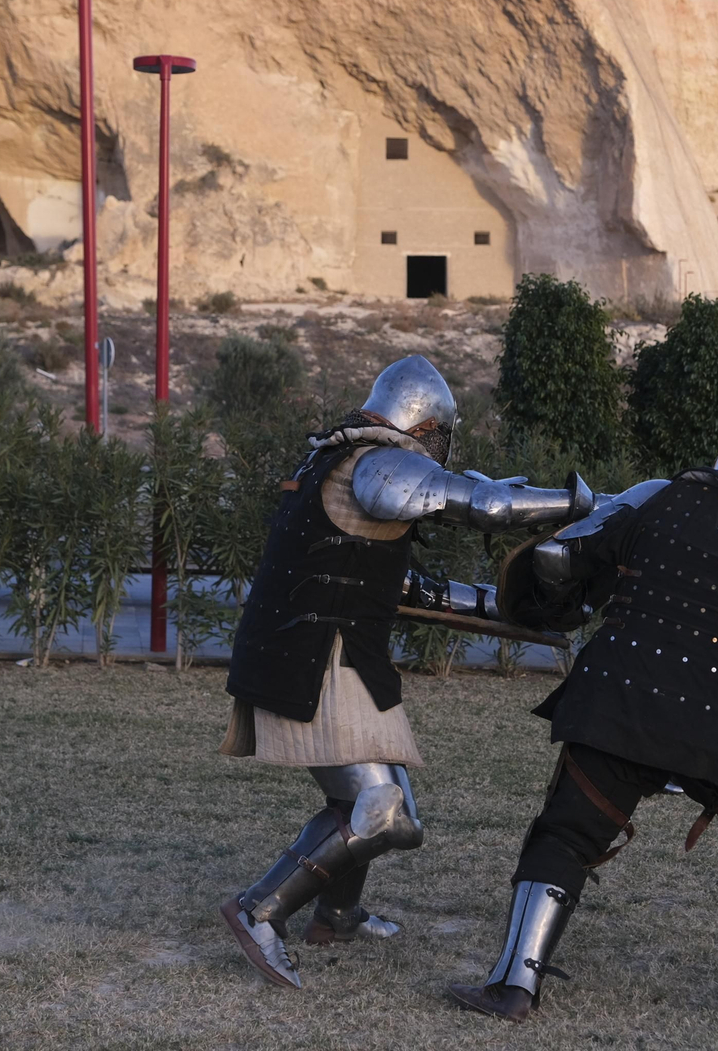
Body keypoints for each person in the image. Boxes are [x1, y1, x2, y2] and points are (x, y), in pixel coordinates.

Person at [448, 421, 718, 1021]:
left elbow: (553, 555)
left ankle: (513, 986)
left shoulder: (654, 495)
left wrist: (567, 606)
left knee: (565, 834)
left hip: (617, 697)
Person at [219, 354, 594, 989]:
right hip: (319, 657)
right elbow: (487, 504)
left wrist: (512, 611)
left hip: (328, 650)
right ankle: (259, 910)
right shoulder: (377, 461)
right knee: (382, 809)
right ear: (426, 427)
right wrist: (575, 502)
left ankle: (336, 915)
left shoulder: (335, 461)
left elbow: (394, 582)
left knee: (376, 805)